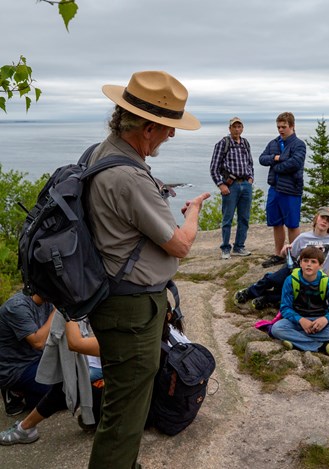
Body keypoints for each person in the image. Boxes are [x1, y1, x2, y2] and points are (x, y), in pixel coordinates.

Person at [85, 70, 210, 468]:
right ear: (149, 127)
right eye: (168, 129)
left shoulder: (99, 153)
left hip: (115, 301)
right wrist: (193, 213)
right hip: (131, 310)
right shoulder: (129, 177)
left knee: (129, 402)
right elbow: (180, 244)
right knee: (125, 414)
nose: (171, 136)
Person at [0, 314, 102, 445]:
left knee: (70, 386)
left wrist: (65, 309)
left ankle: (25, 426)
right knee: (66, 384)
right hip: (23, 365)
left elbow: (75, 343)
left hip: (105, 365)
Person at [234, 207, 329, 309]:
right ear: (316, 218)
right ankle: (250, 292)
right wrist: (284, 250)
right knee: (273, 279)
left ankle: (267, 298)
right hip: (296, 268)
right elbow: (288, 256)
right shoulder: (303, 237)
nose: (325, 221)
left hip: (315, 276)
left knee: (297, 295)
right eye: (322, 217)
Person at [269, 246, 329, 356]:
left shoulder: (327, 283)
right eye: (305, 261)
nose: (309, 264)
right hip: (297, 320)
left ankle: (296, 342)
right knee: (277, 329)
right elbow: (285, 308)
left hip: (319, 321)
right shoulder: (291, 280)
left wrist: (325, 319)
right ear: (300, 263)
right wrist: (300, 320)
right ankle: (321, 346)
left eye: (313, 262)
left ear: (320, 265)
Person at [259, 112, 306, 268]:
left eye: (284, 127)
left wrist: (276, 166)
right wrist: (277, 158)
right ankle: (279, 254)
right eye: (278, 127)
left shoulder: (299, 144)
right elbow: (262, 159)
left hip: (291, 189)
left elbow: (295, 163)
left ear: (292, 126)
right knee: (276, 223)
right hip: (275, 189)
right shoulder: (274, 143)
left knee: (292, 224)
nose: (280, 130)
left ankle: (295, 256)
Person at [0, 292, 54, 416]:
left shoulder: (48, 301)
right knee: (63, 392)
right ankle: (14, 390)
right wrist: (56, 313)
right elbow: (38, 342)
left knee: (72, 384)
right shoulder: (16, 307)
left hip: (38, 358)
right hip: (15, 368)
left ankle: (31, 394)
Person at [209, 116, 255, 259]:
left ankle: (239, 247)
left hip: (245, 184)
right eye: (234, 127)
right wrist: (221, 184)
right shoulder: (223, 143)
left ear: (242, 128)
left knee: (244, 218)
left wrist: (250, 178)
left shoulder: (245, 143)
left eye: (239, 126)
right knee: (227, 218)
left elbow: (250, 163)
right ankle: (225, 248)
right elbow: (214, 167)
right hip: (231, 185)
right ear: (230, 129)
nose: (237, 129)